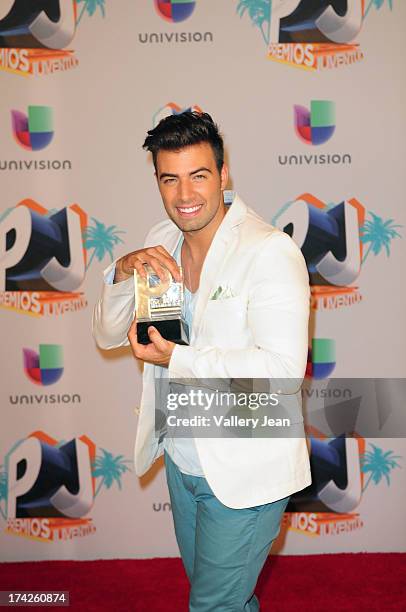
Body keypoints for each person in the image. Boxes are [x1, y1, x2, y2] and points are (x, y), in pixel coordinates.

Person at [92, 111, 311, 611]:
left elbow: (281, 372)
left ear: (224, 174)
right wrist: (122, 270)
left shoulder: (269, 251)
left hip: (246, 467)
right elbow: (106, 336)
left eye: (198, 176)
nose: (184, 195)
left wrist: (180, 357)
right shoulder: (162, 240)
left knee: (213, 607)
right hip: (183, 459)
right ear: (157, 182)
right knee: (223, 602)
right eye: (170, 179)